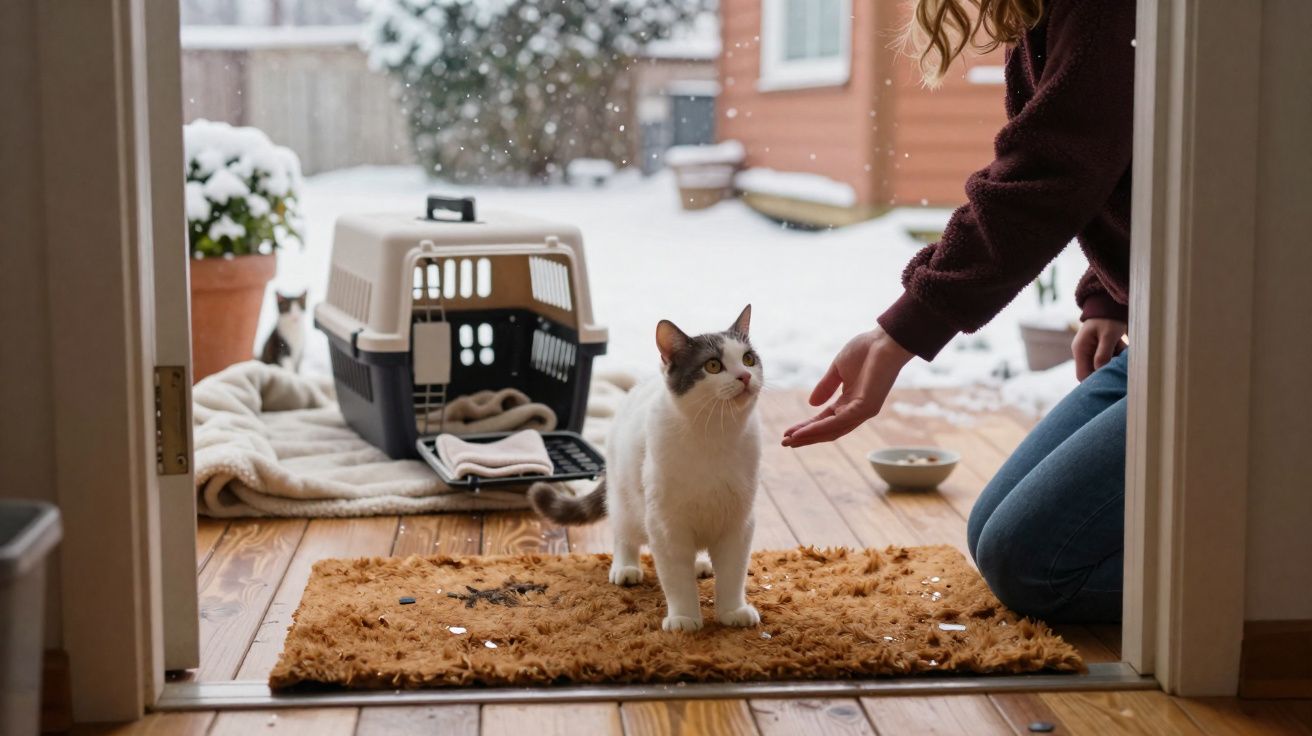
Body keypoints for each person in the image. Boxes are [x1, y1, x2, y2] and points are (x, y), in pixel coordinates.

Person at [782, 0, 1135, 623]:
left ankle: (1252, 578)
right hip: (1158, 334)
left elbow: (1051, 169)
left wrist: (907, 327)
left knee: (1030, 565)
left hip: (1223, 340)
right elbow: (1125, 153)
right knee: (989, 531)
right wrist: (1108, 292)